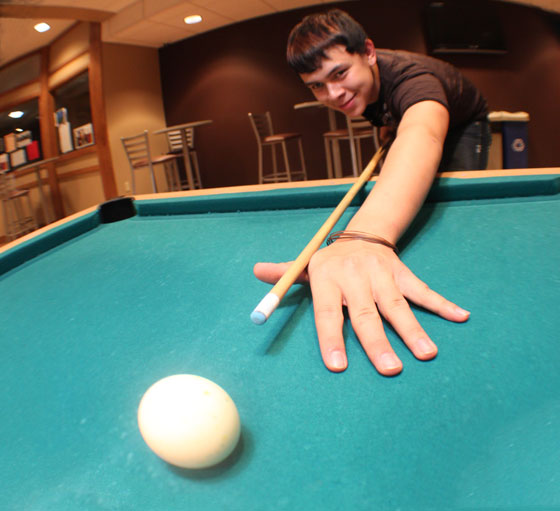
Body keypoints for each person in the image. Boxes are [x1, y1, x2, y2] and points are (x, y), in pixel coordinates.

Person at [253, 9, 490, 376]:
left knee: (454, 196)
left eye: (339, 74)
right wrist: (389, 129)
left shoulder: (416, 81)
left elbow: (422, 133)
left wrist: (363, 236)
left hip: (464, 123)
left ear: (368, 52)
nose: (332, 94)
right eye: (317, 85)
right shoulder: (359, 88)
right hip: (406, 120)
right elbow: (393, 118)